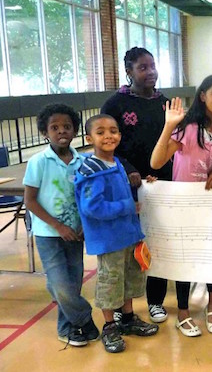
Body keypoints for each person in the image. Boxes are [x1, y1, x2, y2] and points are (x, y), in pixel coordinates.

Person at [149, 74, 212, 337]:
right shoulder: (187, 127)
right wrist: (168, 126)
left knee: (211, 253)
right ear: (202, 95)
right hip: (184, 205)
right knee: (185, 256)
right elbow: (156, 162)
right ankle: (183, 312)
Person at [74, 114, 159, 353]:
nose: (108, 135)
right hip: (109, 240)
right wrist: (126, 207)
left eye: (113, 131)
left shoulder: (117, 163)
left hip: (128, 236)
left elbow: (123, 192)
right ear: (89, 138)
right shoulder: (91, 169)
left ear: (120, 136)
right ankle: (110, 326)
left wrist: (144, 183)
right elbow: (92, 207)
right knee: (110, 282)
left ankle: (128, 319)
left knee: (128, 278)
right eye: (100, 132)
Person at [100, 47, 172, 324]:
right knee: (128, 248)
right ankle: (122, 306)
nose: (150, 71)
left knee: (158, 241)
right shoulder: (115, 105)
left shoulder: (164, 103)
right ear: (129, 71)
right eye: (143, 67)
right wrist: (129, 170)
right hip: (126, 185)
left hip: (161, 184)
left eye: (153, 66)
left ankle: (155, 301)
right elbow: (107, 146)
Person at [23, 104, 99, 347]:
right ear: (45, 132)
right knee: (60, 284)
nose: (61, 131)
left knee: (72, 283)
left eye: (67, 127)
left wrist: (85, 226)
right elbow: (30, 201)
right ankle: (85, 319)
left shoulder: (82, 162)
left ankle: (67, 328)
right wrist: (58, 226)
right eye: (54, 127)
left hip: (75, 234)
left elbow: (87, 198)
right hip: (49, 234)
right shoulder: (38, 161)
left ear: (75, 130)